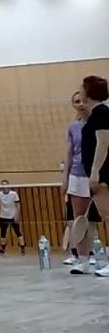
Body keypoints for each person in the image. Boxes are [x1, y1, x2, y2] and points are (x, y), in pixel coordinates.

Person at [63, 90, 98, 273]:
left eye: (83, 100)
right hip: (77, 176)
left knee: (99, 218)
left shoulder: (100, 121)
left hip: (98, 175)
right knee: (80, 220)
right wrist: (65, 179)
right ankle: (83, 261)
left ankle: (99, 257)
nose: (81, 104)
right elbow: (69, 153)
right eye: (77, 101)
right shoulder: (72, 127)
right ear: (73, 105)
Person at [78, 75, 109, 277]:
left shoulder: (101, 113)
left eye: (82, 88)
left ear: (89, 92)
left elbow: (103, 143)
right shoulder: (94, 114)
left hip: (104, 174)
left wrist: (96, 172)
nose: (80, 91)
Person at [0, 180, 25, 255]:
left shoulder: (14, 194)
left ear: (8, 186)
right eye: (3, 185)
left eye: (5, 185)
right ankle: (3, 249)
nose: (4, 186)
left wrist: (17, 215)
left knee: (18, 232)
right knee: (3, 233)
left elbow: (18, 205)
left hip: (13, 216)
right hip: (3, 216)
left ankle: (22, 248)